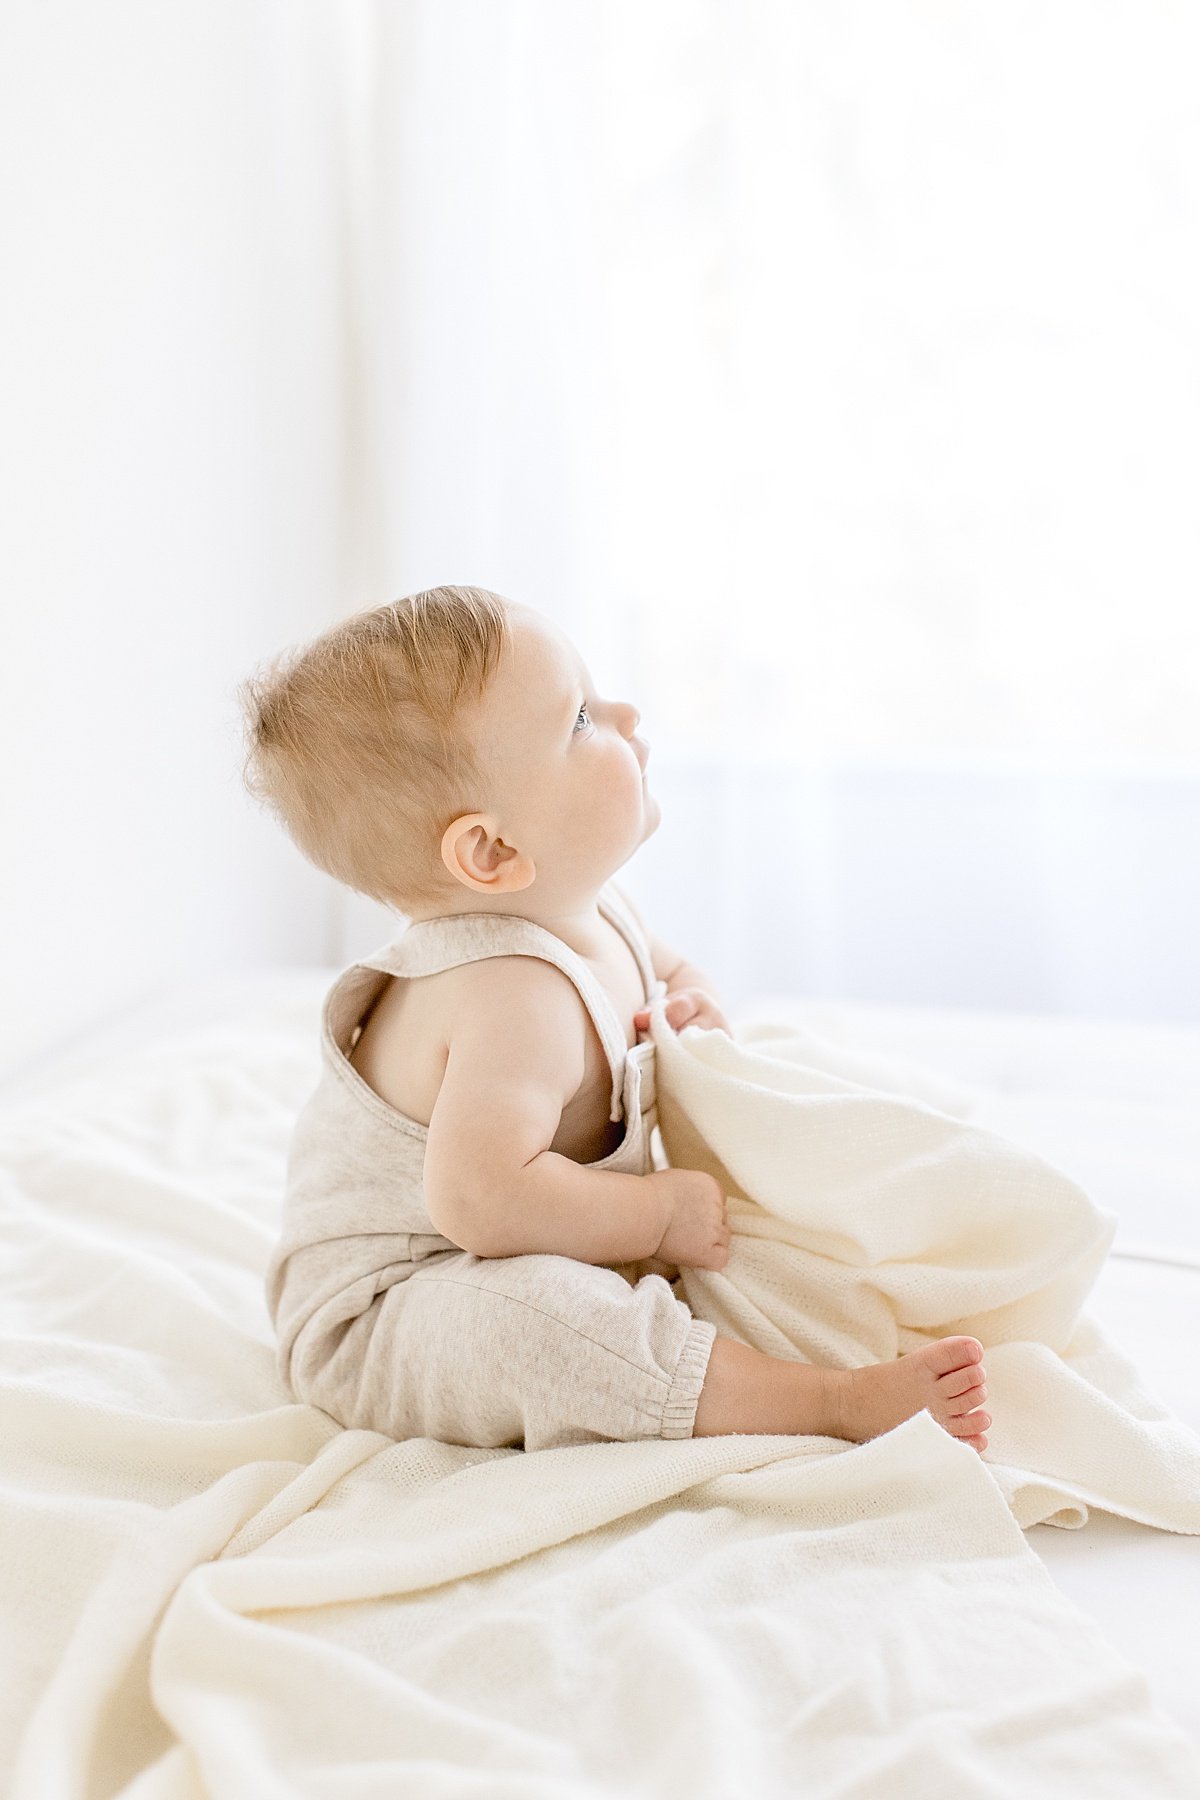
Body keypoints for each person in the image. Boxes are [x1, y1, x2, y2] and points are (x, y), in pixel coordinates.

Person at [239, 585, 990, 1454]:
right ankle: (829, 1402)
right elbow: (480, 1198)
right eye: (582, 720)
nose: (628, 715)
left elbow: (662, 970)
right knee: (551, 1329)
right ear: (493, 852)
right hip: (392, 1310)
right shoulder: (510, 995)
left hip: (515, 1248)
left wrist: (689, 1004)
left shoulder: (590, 910)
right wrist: (655, 1217)